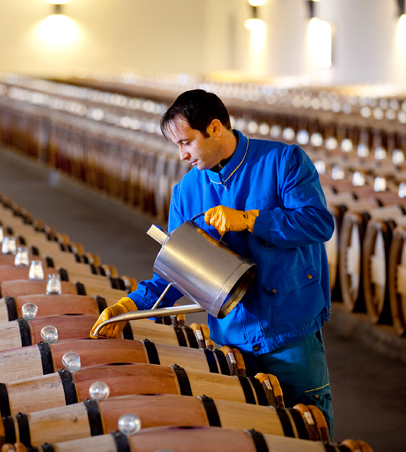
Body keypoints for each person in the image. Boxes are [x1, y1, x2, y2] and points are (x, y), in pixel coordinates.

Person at [90, 89, 335, 437]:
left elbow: (318, 223)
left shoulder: (282, 161)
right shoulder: (187, 192)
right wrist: (127, 306)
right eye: (177, 146)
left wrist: (250, 220)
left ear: (215, 128)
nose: (182, 155)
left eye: (186, 142)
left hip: (290, 330)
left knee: (309, 428)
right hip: (231, 339)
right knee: (251, 435)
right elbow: (180, 270)